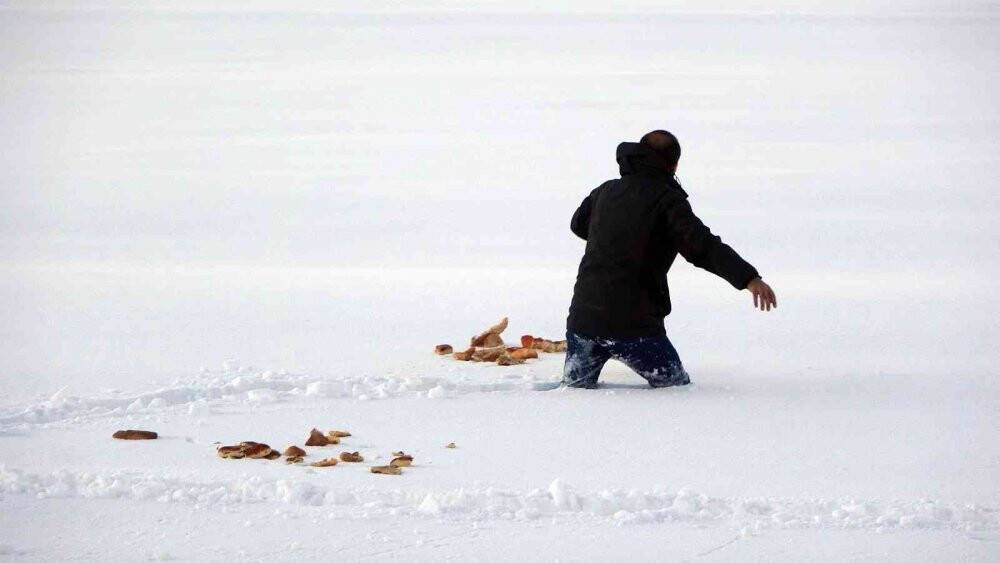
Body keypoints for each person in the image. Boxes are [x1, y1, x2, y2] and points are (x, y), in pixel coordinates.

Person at [563, 130, 776, 389]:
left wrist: (615, 235)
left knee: (575, 390)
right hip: (635, 328)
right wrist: (749, 278)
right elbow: (703, 246)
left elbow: (578, 224)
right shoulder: (667, 200)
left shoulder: (604, 191)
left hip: (583, 322)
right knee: (675, 388)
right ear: (673, 165)